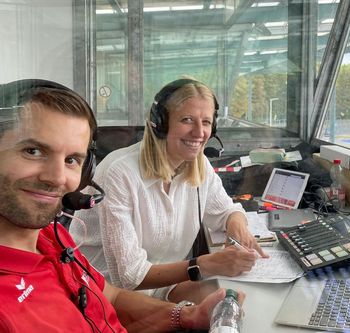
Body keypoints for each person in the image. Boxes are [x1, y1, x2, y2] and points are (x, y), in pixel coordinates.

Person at [0, 79, 242, 332]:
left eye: (72, 159)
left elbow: (110, 297)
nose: (58, 177)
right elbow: (129, 278)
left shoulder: (53, 237)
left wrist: (187, 316)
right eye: (33, 151)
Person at [70, 78, 267, 303]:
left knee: (240, 301)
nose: (199, 132)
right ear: (160, 123)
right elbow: (129, 275)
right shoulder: (118, 173)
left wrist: (237, 227)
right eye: (187, 120)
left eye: (206, 122)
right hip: (108, 294)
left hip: (164, 286)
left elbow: (226, 210)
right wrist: (205, 264)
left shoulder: (198, 165)